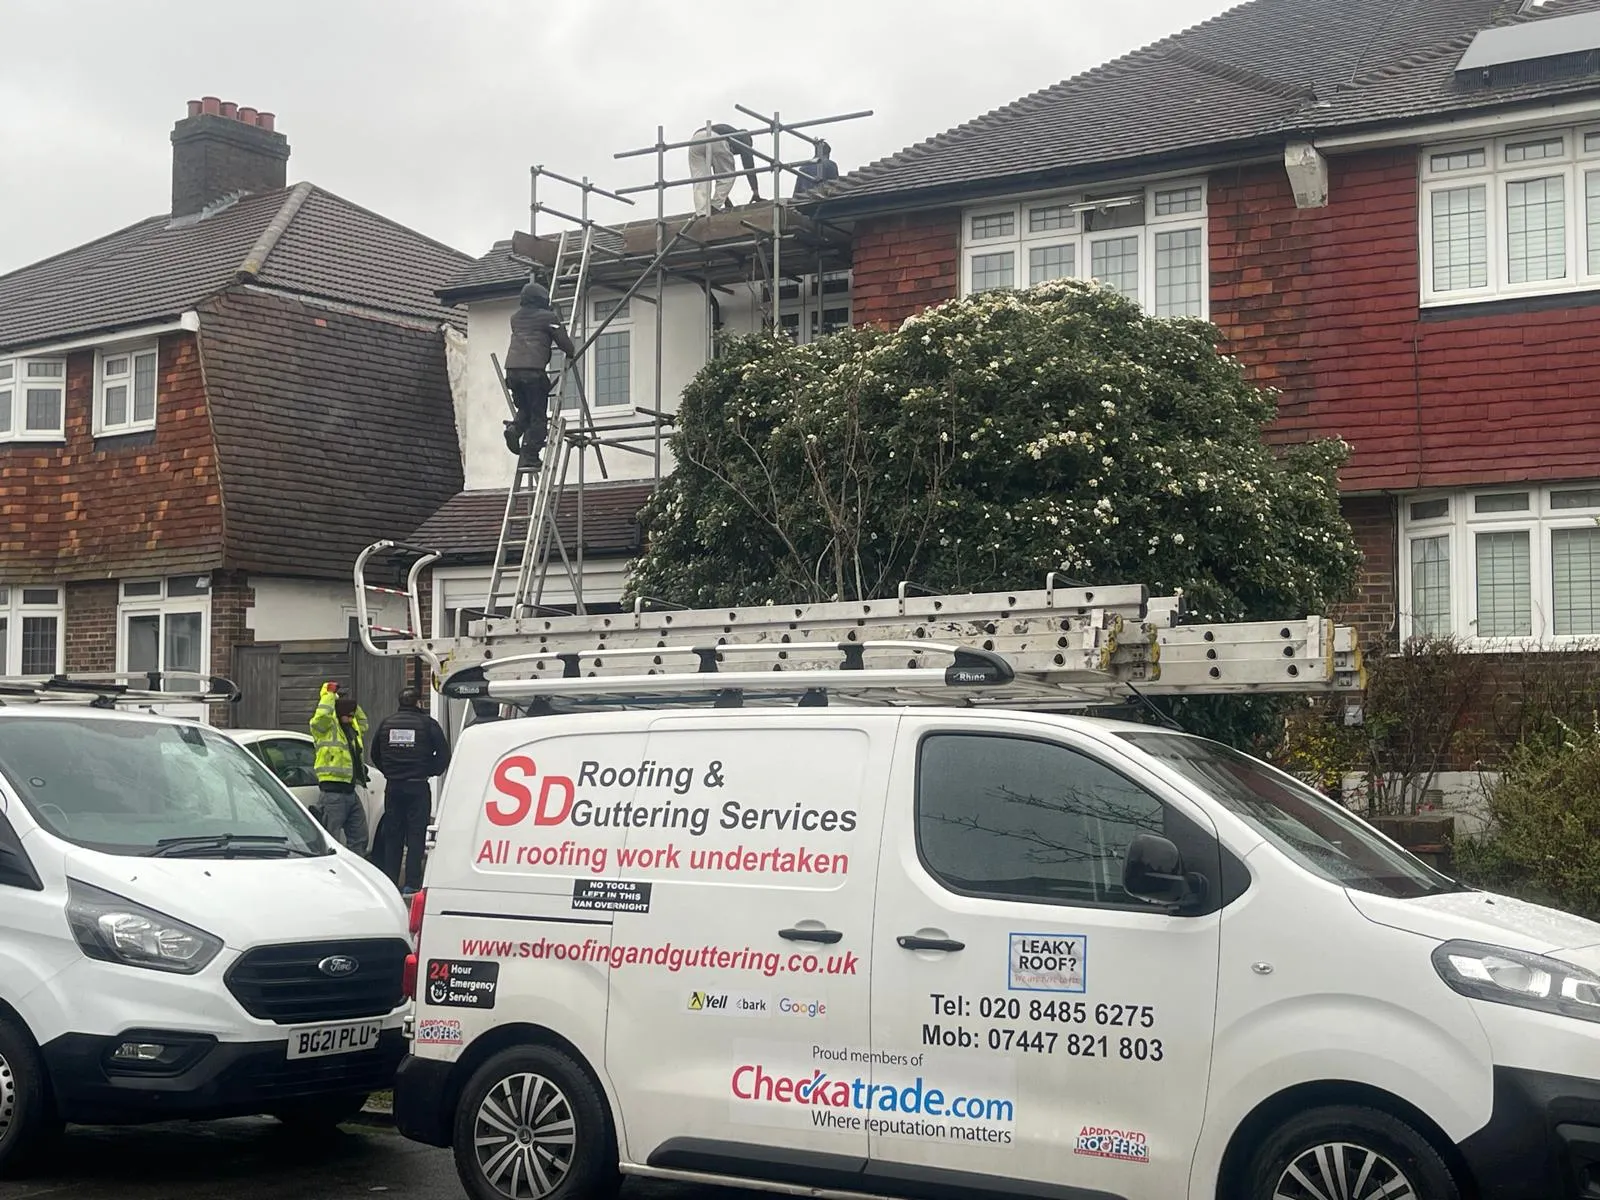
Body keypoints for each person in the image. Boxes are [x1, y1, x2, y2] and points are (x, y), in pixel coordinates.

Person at [371, 687, 451, 894]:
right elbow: (443, 754)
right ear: (418, 703)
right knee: (416, 835)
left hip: (394, 787)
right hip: (417, 786)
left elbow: (375, 754)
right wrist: (429, 770)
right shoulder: (428, 724)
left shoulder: (386, 724)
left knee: (393, 834)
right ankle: (412, 883)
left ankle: (390, 882)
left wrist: (390, 770)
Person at [504, 279, 578, 463]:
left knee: (525, 408)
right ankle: (530, 454)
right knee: (538, 416)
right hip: (533, 372)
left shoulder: (515, 318)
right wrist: (570, 351)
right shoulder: (548, 318)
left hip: (512, 371)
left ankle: (515, 429)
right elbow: (565, 344)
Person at [310, 681, 370, 851]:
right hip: (332, 794)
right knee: (329, 842)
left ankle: (354, 872)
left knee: (360, 838)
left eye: (353, 716)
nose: (352, 719)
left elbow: (364, 722)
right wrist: (329, 695)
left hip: (350, 791)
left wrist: (353, 705)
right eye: (348, 715)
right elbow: (321, 717)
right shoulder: (325, 729)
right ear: (338, 714)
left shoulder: (352, 729)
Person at [688, 121, 762, 215]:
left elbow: (718, 174)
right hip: (716, 138)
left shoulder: (727, 131)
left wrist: (725, 201)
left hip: (696, 139)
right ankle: (714, 207)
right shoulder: (744, 138)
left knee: (700, 178)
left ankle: (701, 212)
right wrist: (756, 192)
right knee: (728, 175)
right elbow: (749, 167)